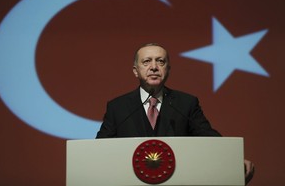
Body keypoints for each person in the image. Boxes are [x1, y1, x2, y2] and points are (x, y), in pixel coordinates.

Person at [96, 43, 254, 184]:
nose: (154, 67)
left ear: (168, 70)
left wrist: (233, 160)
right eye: (146, 61)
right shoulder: (118, 107)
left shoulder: (186, 103)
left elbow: (208, 137)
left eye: (160, 61)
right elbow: (99, 149)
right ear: (135, 71)